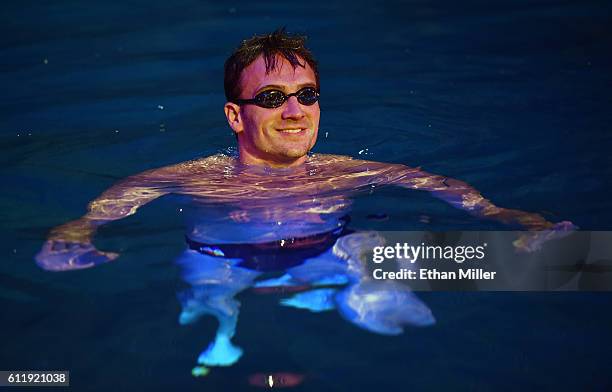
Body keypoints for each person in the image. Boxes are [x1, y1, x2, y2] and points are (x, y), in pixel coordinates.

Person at [35, 28, 573, 368]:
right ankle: (227, 339)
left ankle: (355, 300)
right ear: (234, 115)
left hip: (332, 253)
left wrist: (510, 217)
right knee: (209, 310)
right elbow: (123, 196)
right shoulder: (195, 177)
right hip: (220, 264)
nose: (294, 112)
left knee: (384, 256)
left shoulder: (347, 172)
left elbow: (441, 188)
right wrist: (77, 230)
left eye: (306, 95)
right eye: (271, 98)